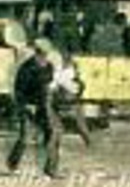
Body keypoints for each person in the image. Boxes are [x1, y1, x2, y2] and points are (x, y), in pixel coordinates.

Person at [7, 40, 61, 177]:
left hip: (44, 105)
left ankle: (51, 169)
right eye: (41, 53)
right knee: (25, 137)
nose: (44, 56)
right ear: (36, 53)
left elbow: (50, 85)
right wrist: (26, 105)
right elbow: (19, 90)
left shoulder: (49, 66)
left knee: (53, 134)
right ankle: (12, 162)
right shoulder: (26, 68)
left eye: (46, 54)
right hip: (28, 106)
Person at [52, 58, 92, 147]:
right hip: (64, 102)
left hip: (71, 103)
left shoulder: (74, 80)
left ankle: (89, 143)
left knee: (80, 126)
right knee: (58, 127)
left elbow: (79, 89)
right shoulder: (60, 76)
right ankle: (55, 144)